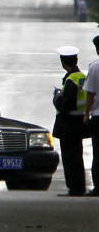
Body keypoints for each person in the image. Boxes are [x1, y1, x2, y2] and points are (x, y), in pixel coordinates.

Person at [53, 46, 87, 196]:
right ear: (76, 60)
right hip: (80, 120)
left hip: (69, 123)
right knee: (77, 155)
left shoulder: (70, 80)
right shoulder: (82, 76)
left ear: (63, 62)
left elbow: (65, 104)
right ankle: (79, 186)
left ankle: (75, 187)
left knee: (69, 157)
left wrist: (57, 97)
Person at [83, 35, 99, 196]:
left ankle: (98, 187)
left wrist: (86, 113)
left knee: (98, 153)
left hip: (98, 116)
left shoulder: (95, 67)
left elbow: (90, 94)